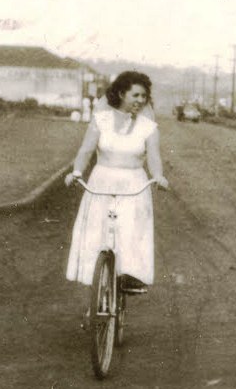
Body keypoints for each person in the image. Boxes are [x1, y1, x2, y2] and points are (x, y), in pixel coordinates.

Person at [64, 71, 169, 296]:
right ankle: (97, 275)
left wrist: (158, 176)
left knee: (130, 228)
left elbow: (154, 157)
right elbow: (86, 150)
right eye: (136, 95)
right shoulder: (100, 120)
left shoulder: (148, 127)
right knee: (98, 230)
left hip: (134, 184)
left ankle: (130, 275)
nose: (141, 100)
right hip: (102, 181)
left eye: (144, 96)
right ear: (121, 93)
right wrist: (76, 172)